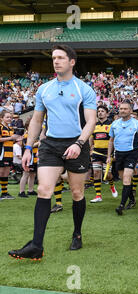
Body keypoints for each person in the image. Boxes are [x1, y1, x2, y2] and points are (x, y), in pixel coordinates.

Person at [9, 44, 97, 260]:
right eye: (54, 58)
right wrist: (29, 146)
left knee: (77, 193)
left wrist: (79, 143)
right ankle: (36, 245)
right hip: (50, 144)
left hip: (76, 143)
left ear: (72, 62)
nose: (56, 61)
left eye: (60, 57)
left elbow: (91, 120)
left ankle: (77, 234)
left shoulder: (83, 89)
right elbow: (37, 119)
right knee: (44, 190)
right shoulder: (44, 89)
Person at [107, 100, 138, 215]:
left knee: (126, 178)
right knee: (123, 179)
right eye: (121, 109)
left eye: (125, 109)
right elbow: (111, 141)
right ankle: (132, 199)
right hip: (119, 154)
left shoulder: (137, 124)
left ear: (130, 111)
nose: (123, 111)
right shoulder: (115, 124)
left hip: (132, 154)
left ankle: (121, 205)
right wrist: (109, 156)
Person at [89, 105, 118, 203]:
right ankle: (98, 195)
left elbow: (113, 139)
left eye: (102, 111)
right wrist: (90, 149)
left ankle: (112, 185)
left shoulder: (112, 124)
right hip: (96, 152)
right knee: (96, 173)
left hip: (107, 153)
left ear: (107, 113)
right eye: (99, 111)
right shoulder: (94, 125)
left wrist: (112, 153)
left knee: (108, 175)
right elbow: (91, 138)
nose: (100, 112)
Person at [0, 110, 21, 200]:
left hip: (9, 153)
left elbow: (10, 140)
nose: (9, 119)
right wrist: (11, 138)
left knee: (6, 173)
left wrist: (18, 139)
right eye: (7, 117)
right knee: (1, 173)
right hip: (2, 152)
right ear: (1, 118)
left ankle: (4, 193)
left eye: (10, 117)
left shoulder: (11, 128)